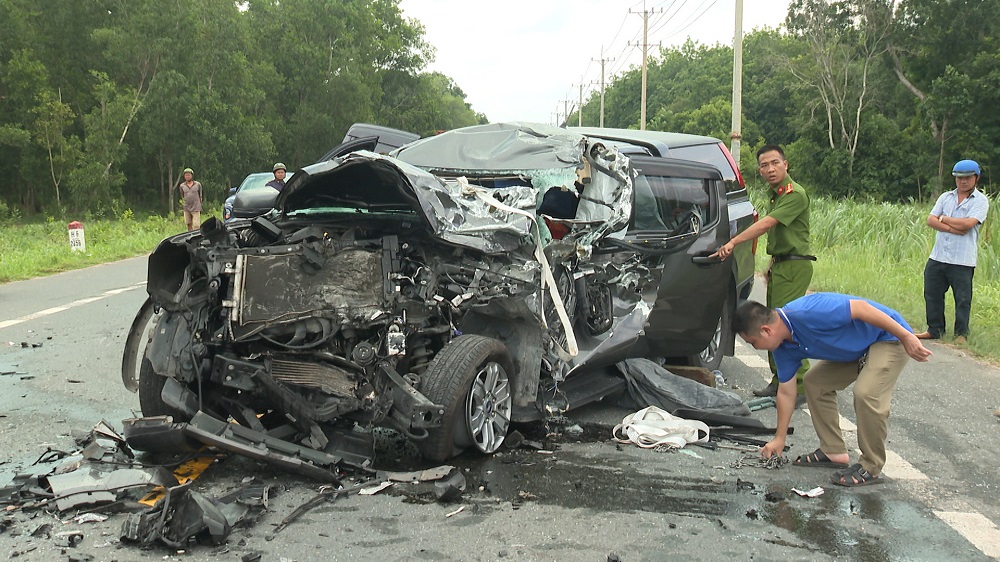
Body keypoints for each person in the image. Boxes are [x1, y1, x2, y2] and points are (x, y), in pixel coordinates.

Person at [734, 294, 932, 487]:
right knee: (815, 382)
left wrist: (906, 336)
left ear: (766, 330)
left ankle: (871, 465)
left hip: (889, 337)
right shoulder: (783, 347)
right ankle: (833, 451)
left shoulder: (808, 311)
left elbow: (861, 308)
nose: (755, 348)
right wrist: (779, 438)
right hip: (860, 349)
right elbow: (786, 392)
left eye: (753, 342)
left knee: (866, 393)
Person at [712, 144, 812, 399]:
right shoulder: (775, 193)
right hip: (782, 264)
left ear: (786, 164)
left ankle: (798, 385)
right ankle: (780, 380)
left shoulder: (794, 194)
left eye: (775, 163)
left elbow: (767, 224)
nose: (770, 169)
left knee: (784, 325)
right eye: (764, 165)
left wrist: (734, 241)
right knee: (774, 321)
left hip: (794, 266)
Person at [915, 159, 990, 345]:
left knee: (963, 298)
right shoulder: (945, 197)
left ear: (976, 178)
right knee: (932, 293)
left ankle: (961, 334)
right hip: (938, 255)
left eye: (967, 178)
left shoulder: (980, 201)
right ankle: (935, 329)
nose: (963, 181)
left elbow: (968, 224)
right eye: (959, 178)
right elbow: (930, 220)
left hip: (962, 259)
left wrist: (944, 219)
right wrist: (953, 228)